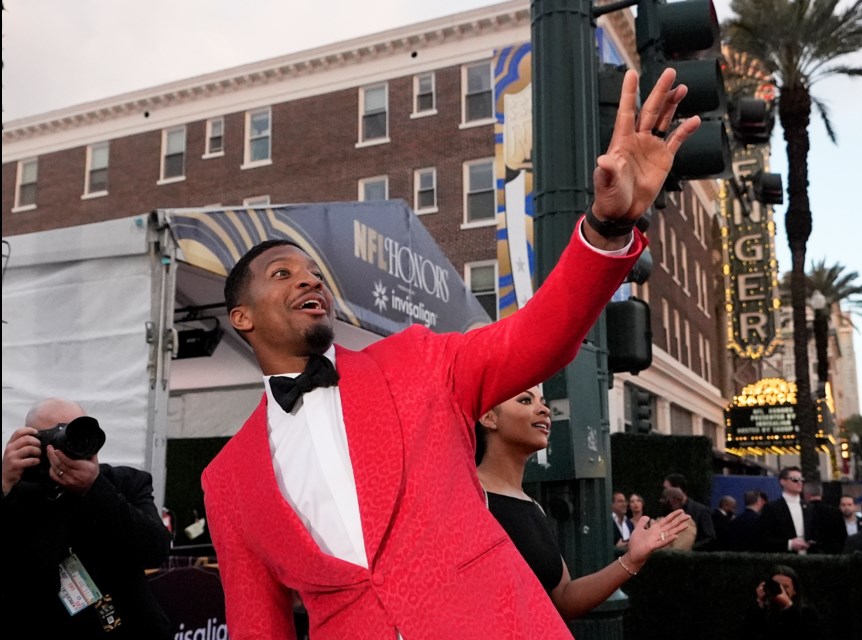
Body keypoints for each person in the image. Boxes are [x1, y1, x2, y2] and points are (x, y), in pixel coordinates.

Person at [200, 67, 701, 639]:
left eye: (315, 271)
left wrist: (607, 227)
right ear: (241, 317)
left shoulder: (415, 362)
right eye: (282, 272)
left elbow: (537, 337)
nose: (309, 280)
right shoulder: (228, 480)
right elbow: (257, 627)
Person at [474, 387, 689, 620]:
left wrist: (632, 559)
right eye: (525, 400)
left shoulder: (532, 507)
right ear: (488, 417)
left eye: (543, 402)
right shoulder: (468, 497)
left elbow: (565, 598)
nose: (545, 410)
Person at [0, 398, 172, 639]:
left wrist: (94, 488)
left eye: (75, 431)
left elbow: (156, 549)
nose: (68, 443)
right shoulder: (18, 492)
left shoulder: (126, 482)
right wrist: (4, 487)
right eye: (56, 435)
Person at [741, 565, 824, 640]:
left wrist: (788, 606)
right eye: (777, 586)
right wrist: (760, 602)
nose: (781, 590)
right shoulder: (762, 609)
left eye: (785, 587)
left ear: (794, 590)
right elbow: (748, 634)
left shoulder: (807, 611)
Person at [758, 466, 814, 554]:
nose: (799, 483)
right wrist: (789, 544)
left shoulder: (809, 507)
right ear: (782, 481)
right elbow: (763, 538)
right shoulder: (772, 508)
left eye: (801, 479)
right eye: (795, 479)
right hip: (784, 559)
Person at [663, 473, 716, 550]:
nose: (664, 492)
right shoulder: (667, 510)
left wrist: (689, 548)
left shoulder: (701, 510)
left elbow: (710, 537)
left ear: (677, 489)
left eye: (666, 488)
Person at [803, 479, 846, 554]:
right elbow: (843, 536)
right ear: (821, 494)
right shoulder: (835, 512)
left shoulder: (804, 511)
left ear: (806, 495)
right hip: (833, 554)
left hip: (810, 554)